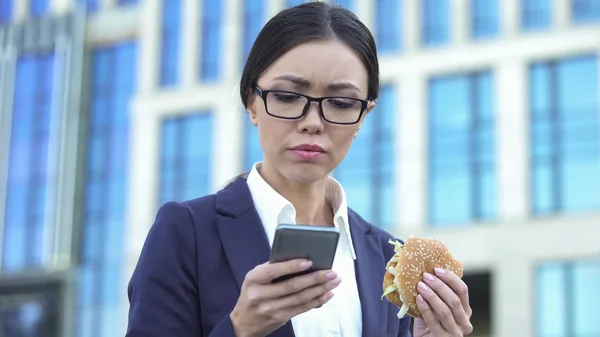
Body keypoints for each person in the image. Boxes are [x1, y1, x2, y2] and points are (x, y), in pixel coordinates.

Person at [125, 2, 473, 337]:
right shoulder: (187, 233)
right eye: (288, 96)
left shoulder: (384, 255)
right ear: (252, 103)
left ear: (364, 115)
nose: (312, 122)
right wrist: (240, 329)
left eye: (340, 103)